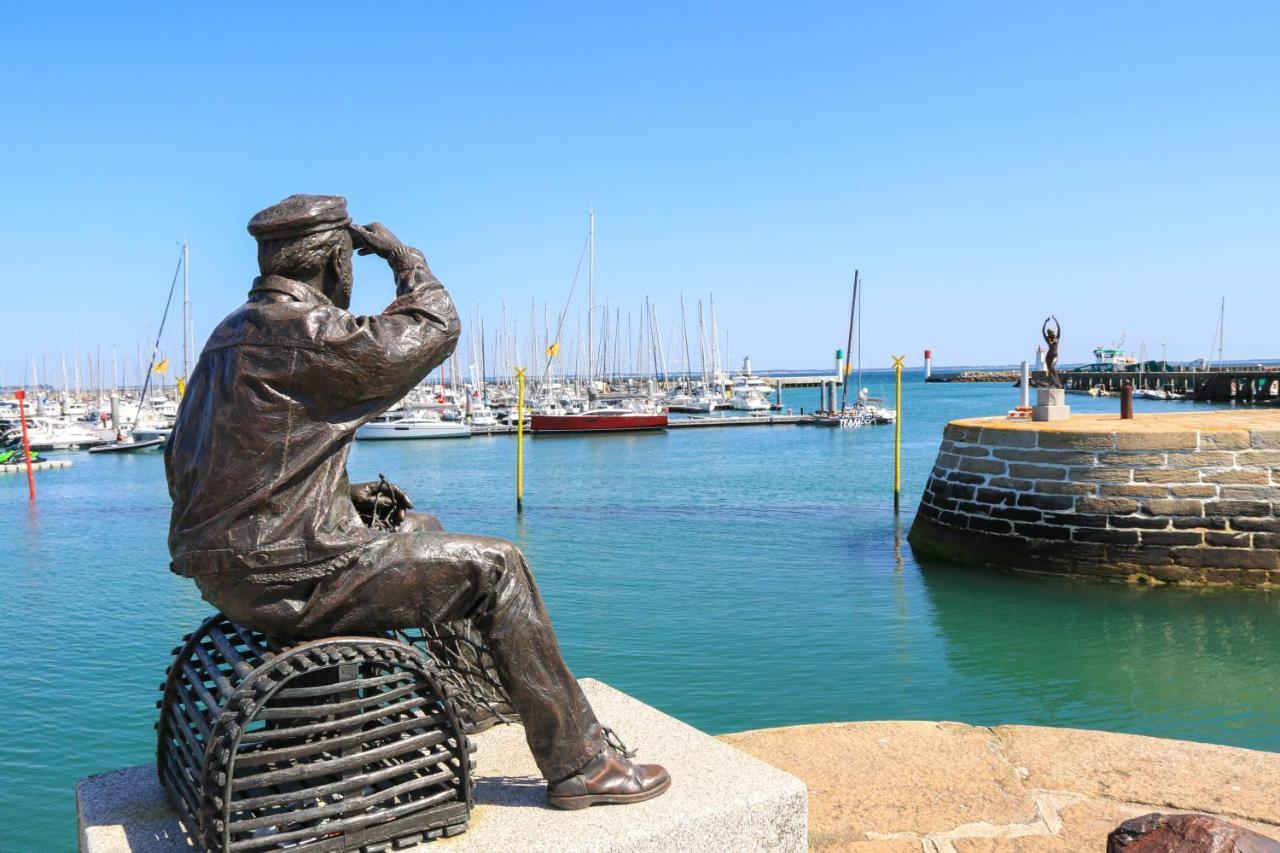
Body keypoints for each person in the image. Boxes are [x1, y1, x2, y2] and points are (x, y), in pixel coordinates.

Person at [164, 194, 669, 809]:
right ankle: (582, 765)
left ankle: (471, 695)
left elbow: (192, 462)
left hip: (229, 573)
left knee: (417, 524)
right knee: (497, 568)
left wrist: (331, 497)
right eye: (349, 258)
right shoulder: (304, 329)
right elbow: (433, 327)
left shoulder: (229, 335)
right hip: (286, 579)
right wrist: (406, 260)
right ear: (336, 261)